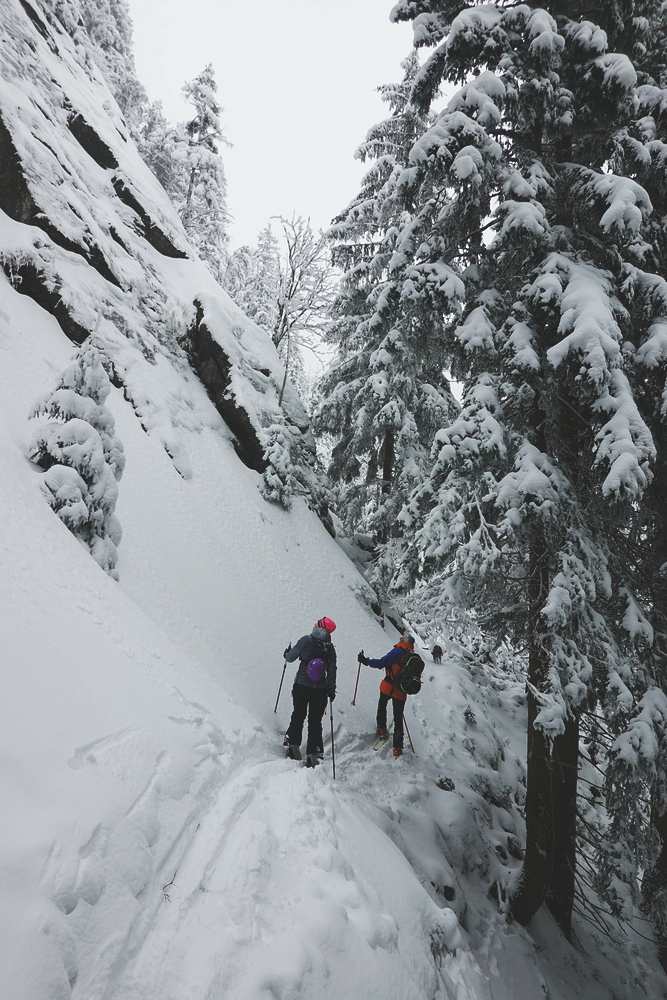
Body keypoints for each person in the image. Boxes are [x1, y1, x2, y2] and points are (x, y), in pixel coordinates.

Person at [283, 617, 337, 768]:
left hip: (302, 685)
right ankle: (313, 755)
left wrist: (287, 653)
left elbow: (291, 657)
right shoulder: (330, 648)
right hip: (320, 690)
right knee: (315, 722)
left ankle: (293, 747)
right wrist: (331, 691)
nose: (313, 625)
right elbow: (332, 671)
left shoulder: (306, 640)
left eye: (316, 623)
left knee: (298, 715)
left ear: (320, 626)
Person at [358, 635, 415, 758]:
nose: (400, 637)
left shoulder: (398, 651)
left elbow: (382, 663)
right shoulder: (412, 655)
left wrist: (366, 661)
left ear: (405, 641)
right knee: (398, 717)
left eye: (403, 637)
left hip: (388, 686)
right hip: (401, 690)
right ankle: (397, 748)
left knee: (382, 706)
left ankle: (382, 730)